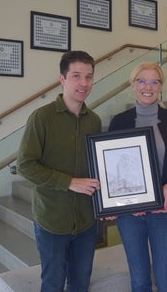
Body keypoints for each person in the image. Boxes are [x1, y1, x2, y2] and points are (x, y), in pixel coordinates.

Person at [108, 62, 167, 292]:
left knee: (166, 283)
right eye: (141, 80)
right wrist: (110, 202)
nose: (147, 86)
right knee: (139, 282)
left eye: (154, 81)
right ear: (133, 85)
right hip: (130, 215)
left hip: (164, 212)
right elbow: (111, 169)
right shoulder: (119, 122)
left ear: (161, 86)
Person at [17, 50, 101, 292]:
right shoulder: (41, 118)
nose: (83, 83)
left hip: (86, 221)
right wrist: (69, 182)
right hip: (52, 221)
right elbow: (25, 164)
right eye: (76, 76)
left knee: (80, 283)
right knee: (53, 284)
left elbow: (96, 166)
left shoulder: (94, 120)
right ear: (62, 79)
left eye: (88, 77)